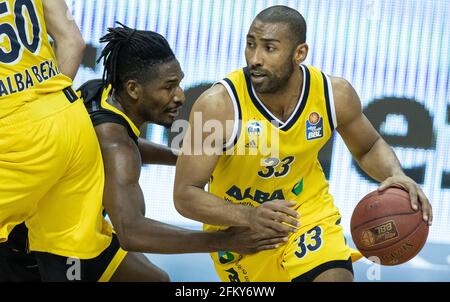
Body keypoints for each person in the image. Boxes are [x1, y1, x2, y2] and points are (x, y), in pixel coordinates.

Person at [0, 23, 286, 282]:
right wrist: (225, 241)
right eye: (168, 87)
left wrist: (186, 159)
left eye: (179, 82)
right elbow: (133, 232)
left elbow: (123, 146)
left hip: (81, 228)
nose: (180, 96)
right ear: (134, 89)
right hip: (47, 247)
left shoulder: (101, 92)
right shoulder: (116, 146)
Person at [173, 5, 433, 282]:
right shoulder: (218, 106)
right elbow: (185, 194)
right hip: (240, 229)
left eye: (269, 48)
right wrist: (248, 216)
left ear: (300, 53)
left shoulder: (334, 94)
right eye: (250, 45)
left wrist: (396, 174)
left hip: (306, 214)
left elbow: (368, 147)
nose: (255, 58)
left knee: (334, 277)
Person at [0, 0, 114, 280]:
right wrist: (44, 106)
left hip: (16, 130)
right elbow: (73, 42)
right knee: (63, 262)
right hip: (68, 116)